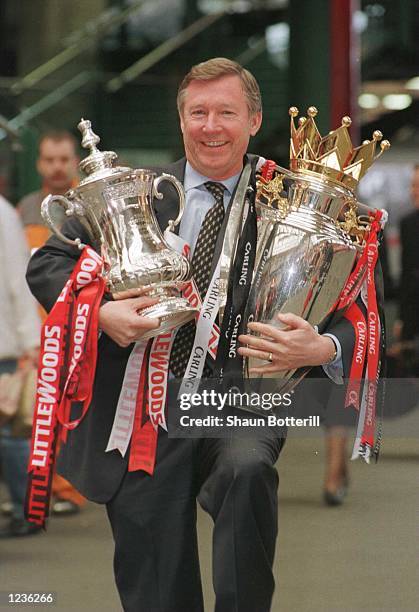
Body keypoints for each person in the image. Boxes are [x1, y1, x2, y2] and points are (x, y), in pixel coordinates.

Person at [27, 59, 359, 611]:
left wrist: (323, 347)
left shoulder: (292, 202)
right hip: (141, 413)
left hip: (240, 402)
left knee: (246, 470)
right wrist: (102, 310)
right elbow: (49, 264)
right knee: (156, 584)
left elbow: (358, 309)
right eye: (197, 113)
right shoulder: (137, 195)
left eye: (226, 112)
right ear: (180, 122)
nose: (211, 127)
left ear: (254, 120)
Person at [16, 130, 85, 517]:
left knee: (76, 413)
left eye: (64, 159)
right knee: (38, 412)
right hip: (38, 329)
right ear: (40, 164)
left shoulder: (88, 204)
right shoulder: (24, 210)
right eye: (49, 160)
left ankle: (71, 488)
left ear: (75, 160)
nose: (57, 167)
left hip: (83, 326)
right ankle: (46, 489)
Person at [0, 194, 41, 538]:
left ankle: (25, 509)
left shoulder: (2, 214)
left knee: (10, 436)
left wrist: (31, 342)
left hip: (4, 348)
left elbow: (19, 278)